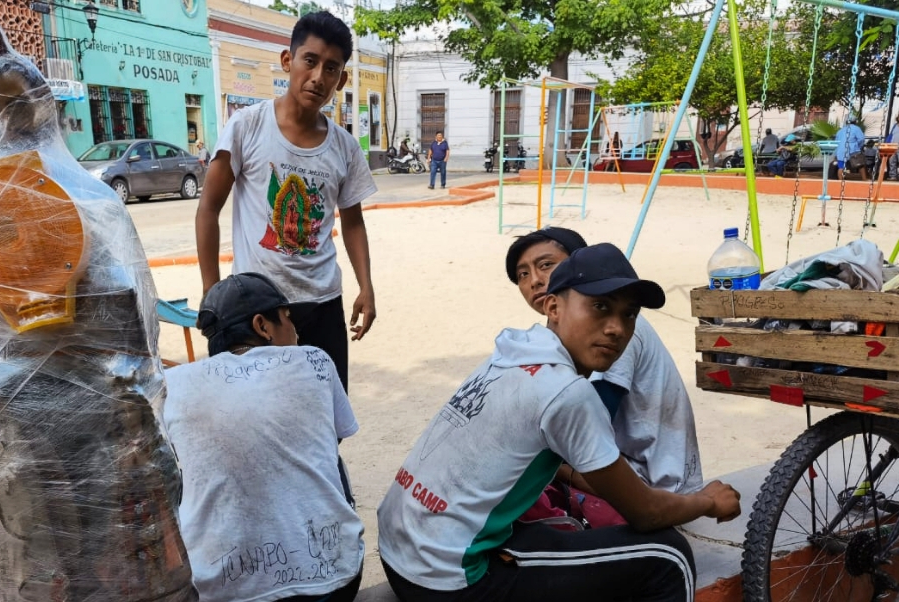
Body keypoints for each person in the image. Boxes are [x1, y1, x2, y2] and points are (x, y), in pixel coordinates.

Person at [377, 243, 741, 602]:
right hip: (446, 577)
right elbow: (646, 514)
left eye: (629, 314)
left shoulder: (513, 352)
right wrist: (707, 502)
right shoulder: (566, 392)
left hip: (401, 548)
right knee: (668, 555)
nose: (616, 328)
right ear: (553, 307)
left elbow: (585, 472)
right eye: (599, 307)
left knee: (561, 530)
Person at [195, 10, 378, 393]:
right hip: (257, 308)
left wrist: (366, 285)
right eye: (309, 61)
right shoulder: (247, 126)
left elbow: (354, 222)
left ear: (341, 79)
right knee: (259, 415)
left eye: (331, 68)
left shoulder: (344, 147)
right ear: (287, 61)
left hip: (323, 301)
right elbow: (209, 209)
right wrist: (213, 295)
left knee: (326, 413)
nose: (318, 77)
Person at [161, 272, 365, 602]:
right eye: (288, 320)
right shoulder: (314, 361)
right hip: (333, 583)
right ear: (262, 326)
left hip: (223, 593)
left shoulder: (175, 384)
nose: (297, 333)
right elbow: (336, 439)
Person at [506, 227, 703, 494]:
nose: (535, 281)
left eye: (546, 265)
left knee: (521, 466)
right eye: (523, 274)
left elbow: (585, 429)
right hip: (611, 464)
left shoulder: (611, 330)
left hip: (651, 481)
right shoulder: (562, 331)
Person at [835, 115, 867, 181]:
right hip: (853, 150)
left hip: (840, 151)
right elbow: (861, 139)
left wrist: (836, 153)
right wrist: (858, 146)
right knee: (860, 165)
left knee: (841, 167)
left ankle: (840, 181)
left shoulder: (840, 131)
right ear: (855, 121)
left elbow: (836, 142)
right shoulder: (856, 128)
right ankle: (864, 179)